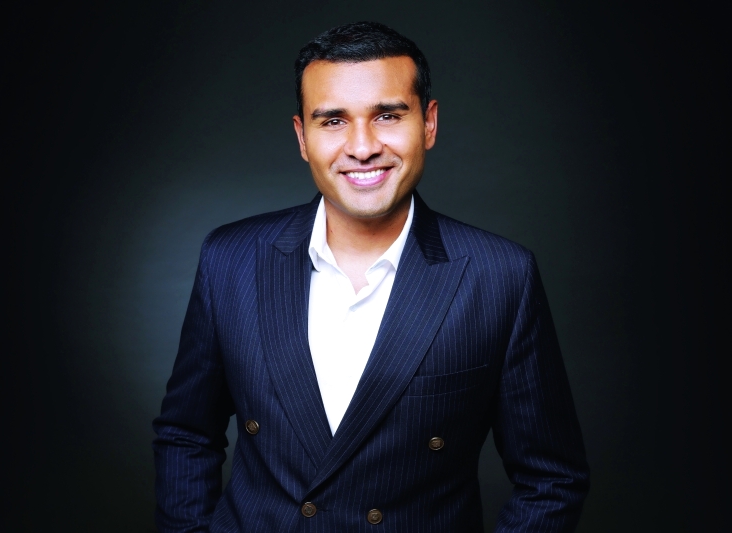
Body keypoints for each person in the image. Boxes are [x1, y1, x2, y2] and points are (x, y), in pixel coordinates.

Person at [153, 21, 589, 532]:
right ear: (302, 137)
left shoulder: (500, 276)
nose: (362, 147)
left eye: (387, 116)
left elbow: (551, 478)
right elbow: (186, 435)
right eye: (333, 121)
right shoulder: (230, 259)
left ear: (429, 124)